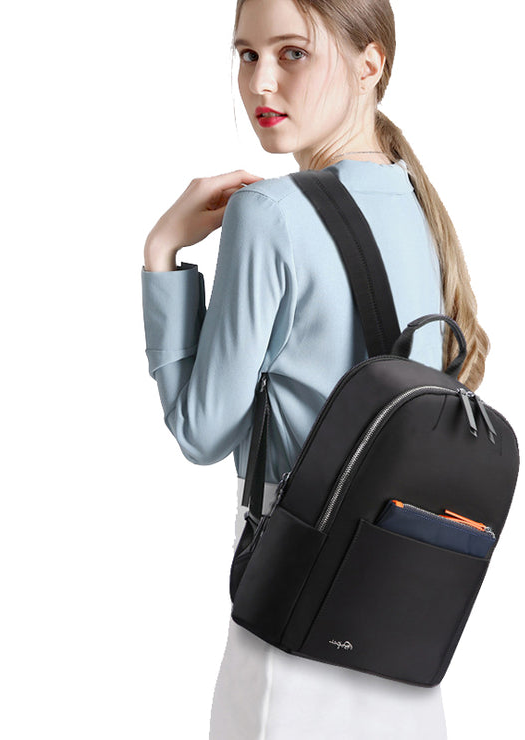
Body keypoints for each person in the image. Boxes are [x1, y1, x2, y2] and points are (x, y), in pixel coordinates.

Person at [141, 0, 490, 737]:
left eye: (292, 53)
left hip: (297, 617)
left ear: (371, 64)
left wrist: (163, 255)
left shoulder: (269, 212)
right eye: (246, 55)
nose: (261, 82)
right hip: (404, 633)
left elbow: (202, 432)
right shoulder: (418, 201)